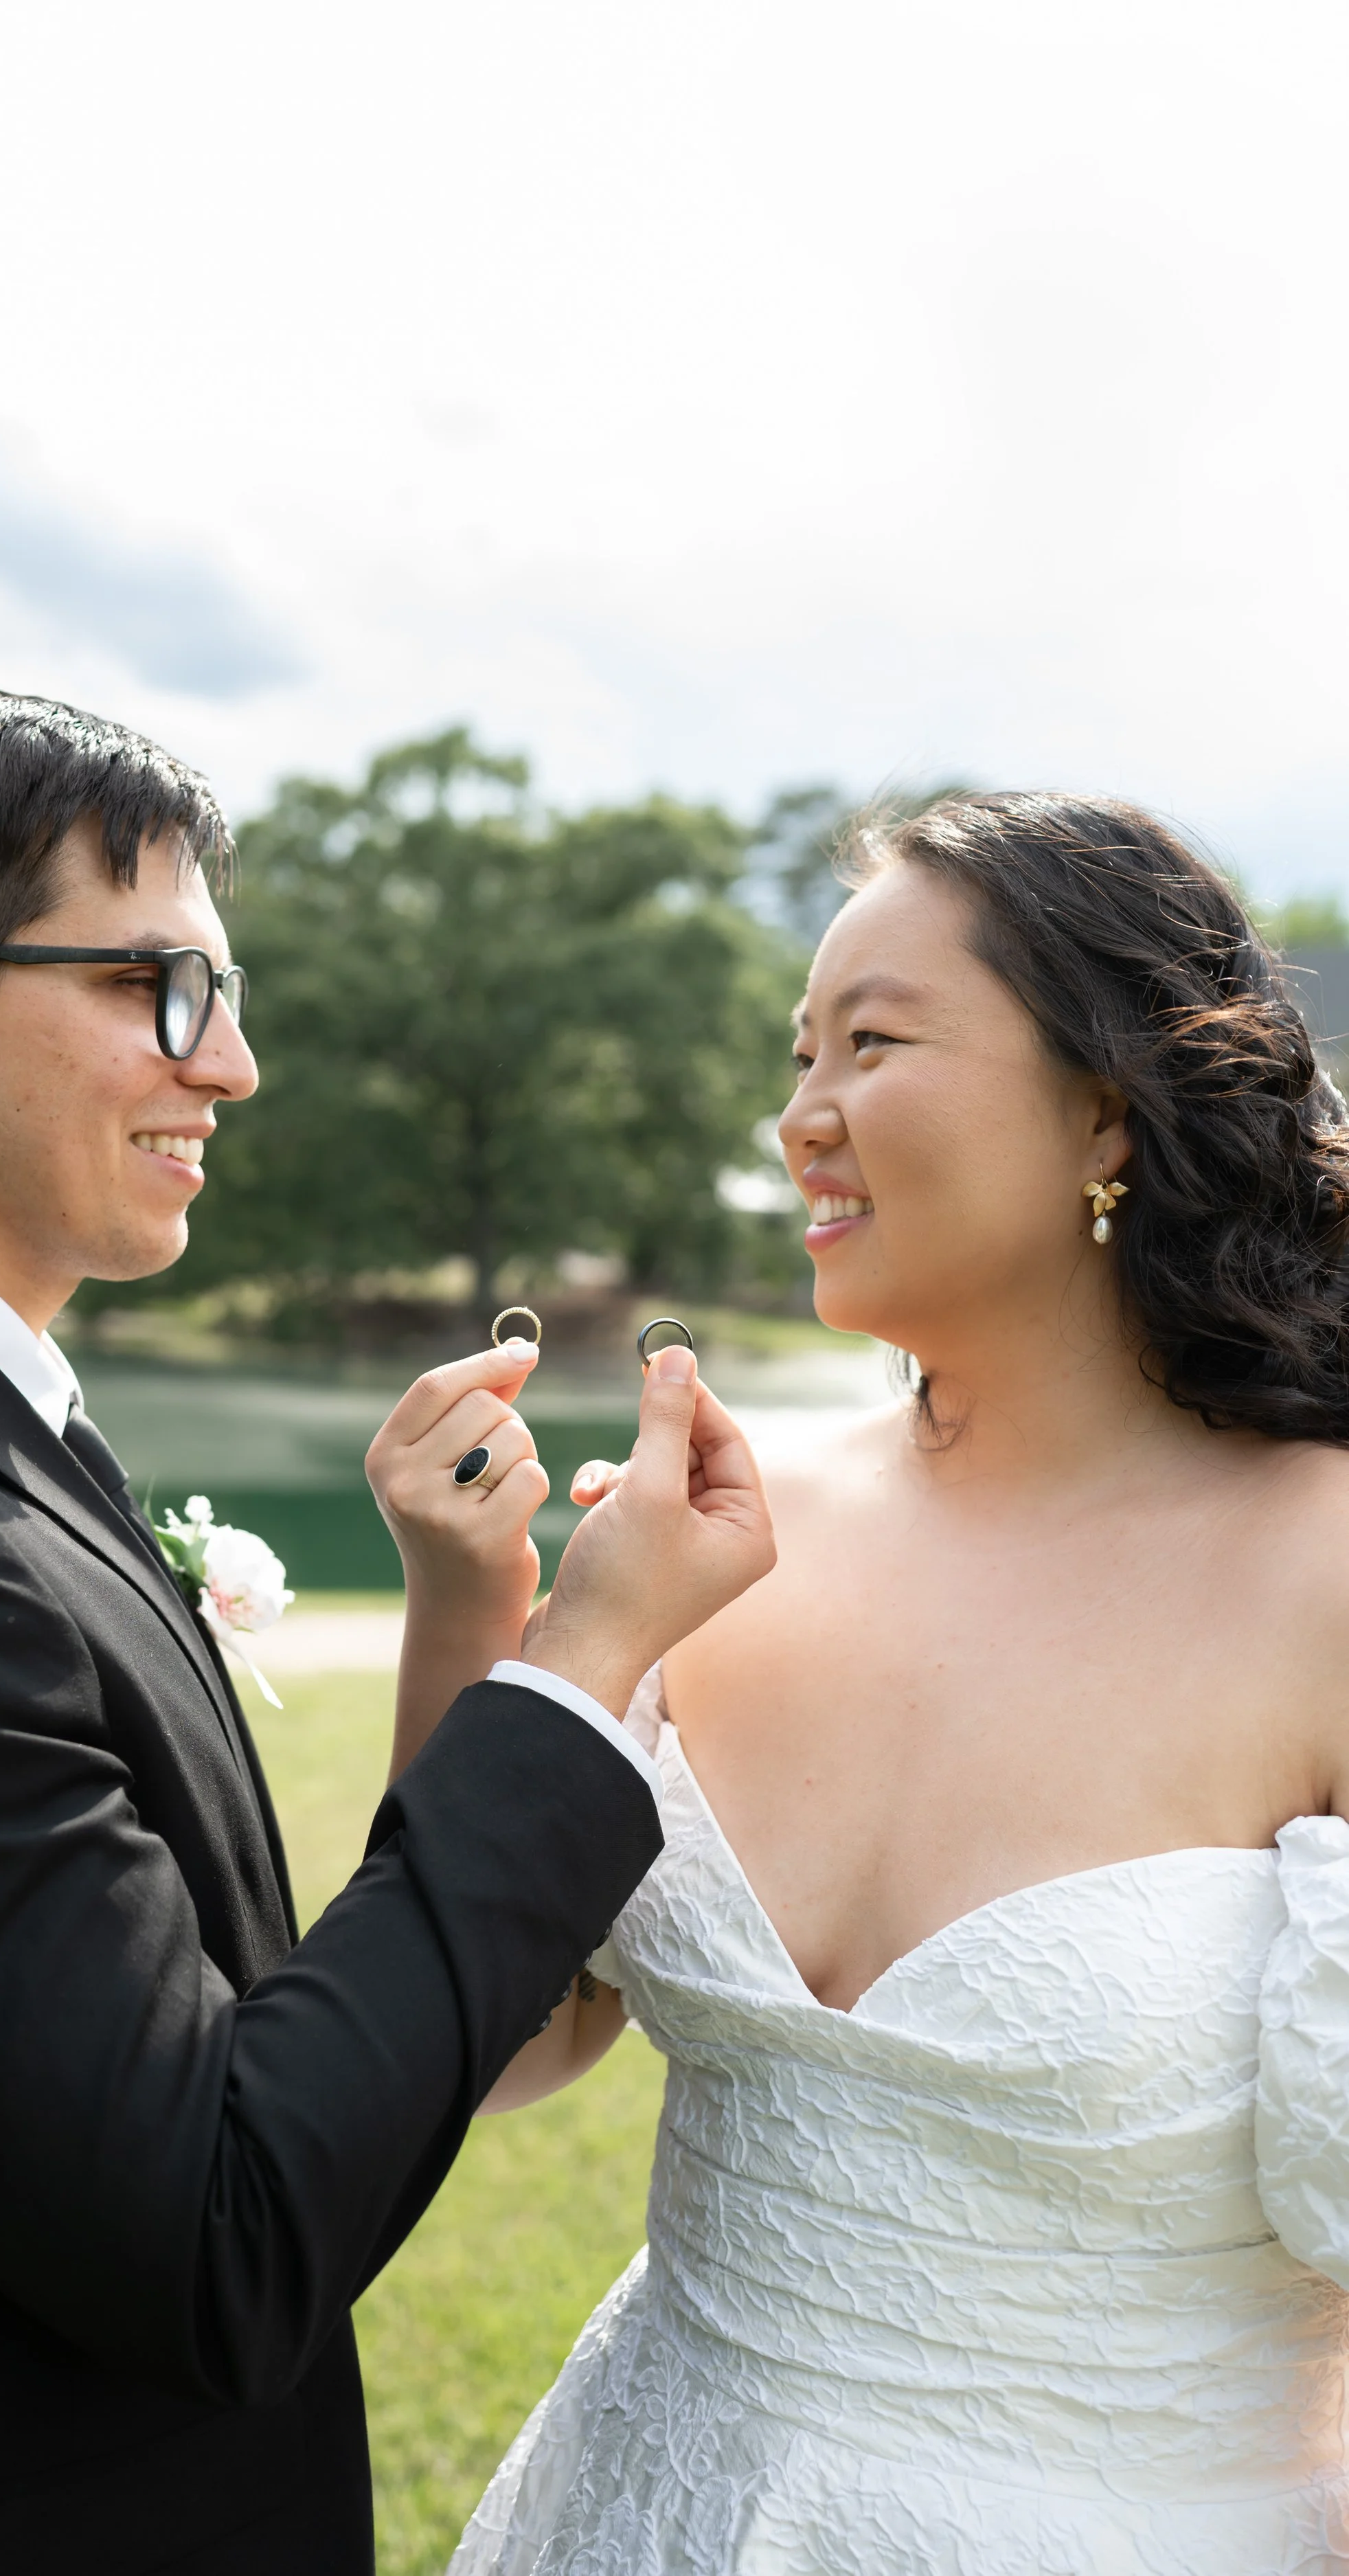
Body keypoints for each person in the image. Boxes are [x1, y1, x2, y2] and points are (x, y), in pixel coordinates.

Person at [0, 681, 776, 2575]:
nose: (231, 1064)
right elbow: (216, 2231)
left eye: (225, 995)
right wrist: (577, 1674)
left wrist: (456, 1615)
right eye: (161, 990)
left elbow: (195, 2041)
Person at [450, 793, 1349, 2575]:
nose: (800, 1115)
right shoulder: (712, 1523)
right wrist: (474, 1604)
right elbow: (494, 2043)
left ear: (1107, 1099)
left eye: (873, 1042)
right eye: (797, 1054)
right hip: (645, 2504)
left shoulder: (1325, 1568)